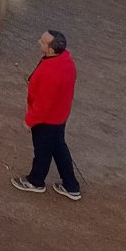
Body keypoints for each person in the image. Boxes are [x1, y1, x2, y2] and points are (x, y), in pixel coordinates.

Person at [12, 29, 81, 199]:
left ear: (50, 50)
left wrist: (30, 121)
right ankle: (71, 185)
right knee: (58, 148)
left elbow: (43, 104)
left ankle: (36, 181)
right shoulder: (65, 62)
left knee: (43, 151)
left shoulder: (51, 72)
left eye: (42, 41)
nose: (38, 42)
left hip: (47, 119)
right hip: (58, 115)